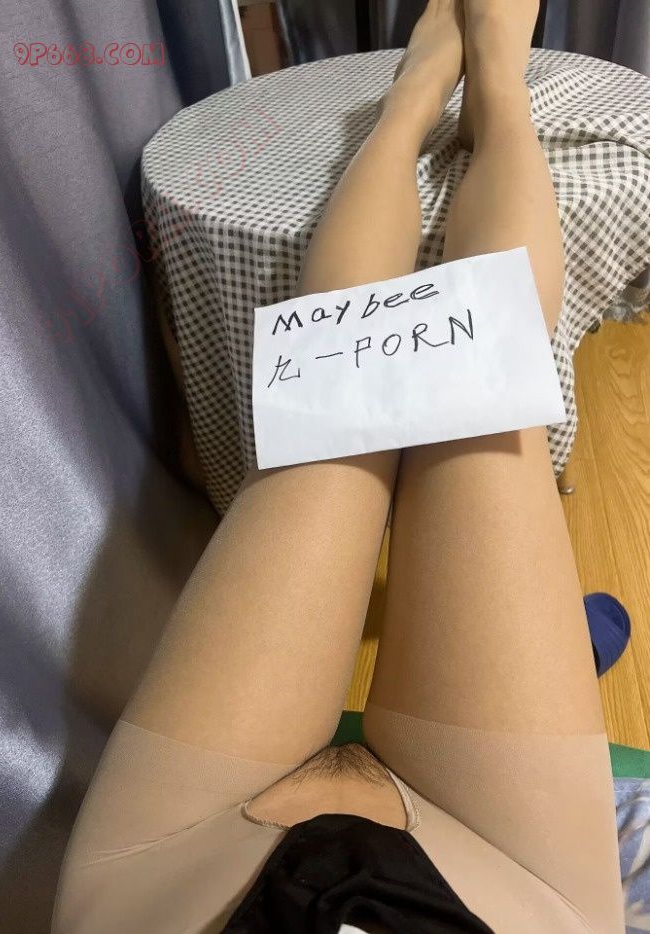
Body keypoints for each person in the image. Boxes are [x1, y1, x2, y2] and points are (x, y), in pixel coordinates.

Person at [51, 2, 625, 931]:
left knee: (336, 399)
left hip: (169, 891)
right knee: (487, 382)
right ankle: (494, 85)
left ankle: (418, 96)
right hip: (512, 897)